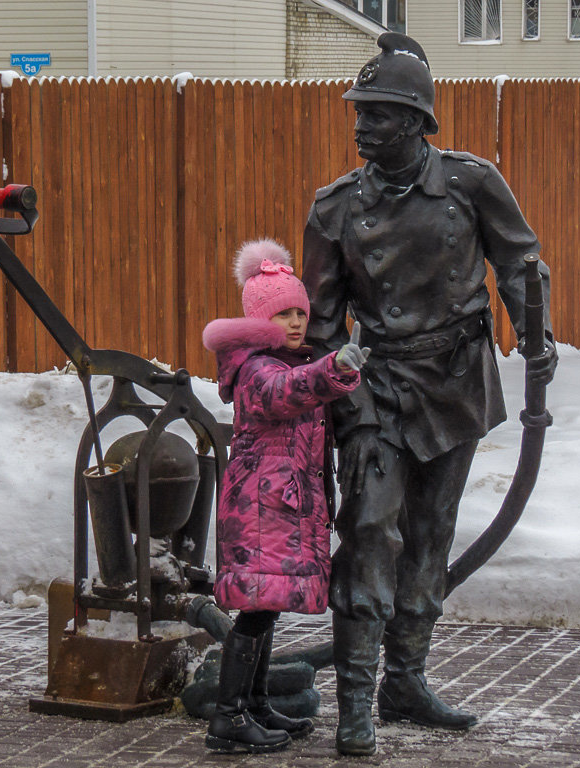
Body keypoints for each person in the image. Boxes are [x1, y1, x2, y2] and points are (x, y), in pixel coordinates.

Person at [301, 32, 558, 756]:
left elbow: (520, 261)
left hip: (453, 379)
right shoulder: (333, 209)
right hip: (376, 387)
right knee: (368, 533)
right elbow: (321, 326)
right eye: (359, 113)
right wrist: (343, 401)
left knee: (430, 534)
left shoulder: (471, 183)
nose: (361, 127)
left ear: (415, 121)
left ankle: (404, 680)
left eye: (377, 114)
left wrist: (535, 337)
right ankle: (355, 702)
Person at [201, 238, 370, 753]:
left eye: (301, 312)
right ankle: (228, 718)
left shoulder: (280, 361)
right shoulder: (257, 369)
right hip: (259, 510)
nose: (297, 322)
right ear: (259, 320)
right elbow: (285, 393)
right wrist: (332, 369)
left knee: (265, 608)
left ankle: (252, 705)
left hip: (273, 508)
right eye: (284, 314)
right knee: (255, 611)